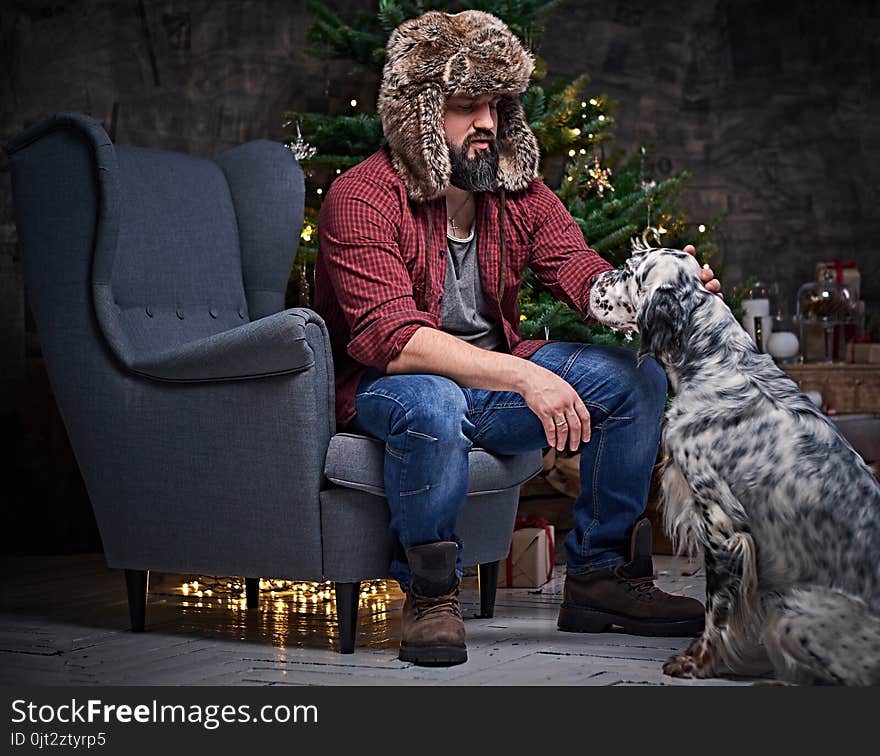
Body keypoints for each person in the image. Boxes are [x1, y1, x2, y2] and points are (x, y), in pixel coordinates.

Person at [315, 10, 721, 666]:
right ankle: (430, 593)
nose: (487, 122)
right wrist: (528, 376)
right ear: (419, 113)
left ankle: (598, 576)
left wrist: (661, 294)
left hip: (491, 384)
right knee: (433, 400)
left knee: (635, 377)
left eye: (497, 106)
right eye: (467, 105)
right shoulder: (361, 196)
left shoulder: (516, 192)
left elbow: (581, 272)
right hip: (390, 389)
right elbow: (390, 340)